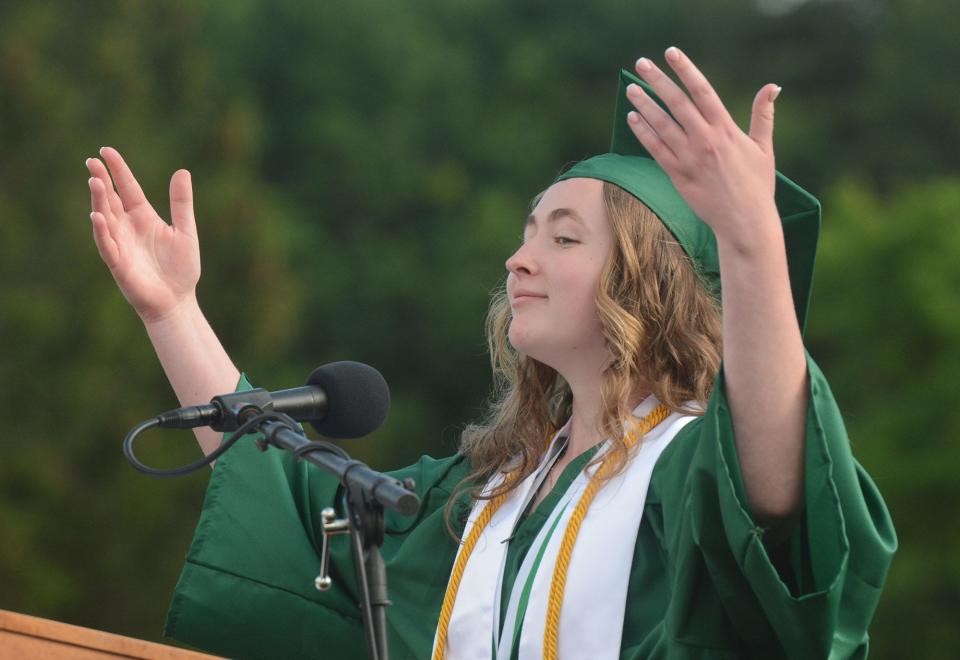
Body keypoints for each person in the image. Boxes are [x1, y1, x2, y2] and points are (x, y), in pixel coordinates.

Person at [85, 48, 896, 659]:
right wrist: (172, 310)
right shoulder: (486, 499)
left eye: (563, 236)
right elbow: (286, 500)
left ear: (650, 285)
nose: (518, 260)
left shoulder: (688, 472)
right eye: (525, 232)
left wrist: (749, 241)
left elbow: (780, 491)